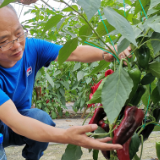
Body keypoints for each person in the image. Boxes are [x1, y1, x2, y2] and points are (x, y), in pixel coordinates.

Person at [0, 1, 131, 160]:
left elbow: (73, 53)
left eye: (19, 33)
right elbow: (16, 121)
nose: (16, 44)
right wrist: (65, 135)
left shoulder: (32, 48)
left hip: (17, 125)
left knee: (42, 119)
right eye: (4, 41)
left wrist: (107, 52)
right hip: (12, 122)